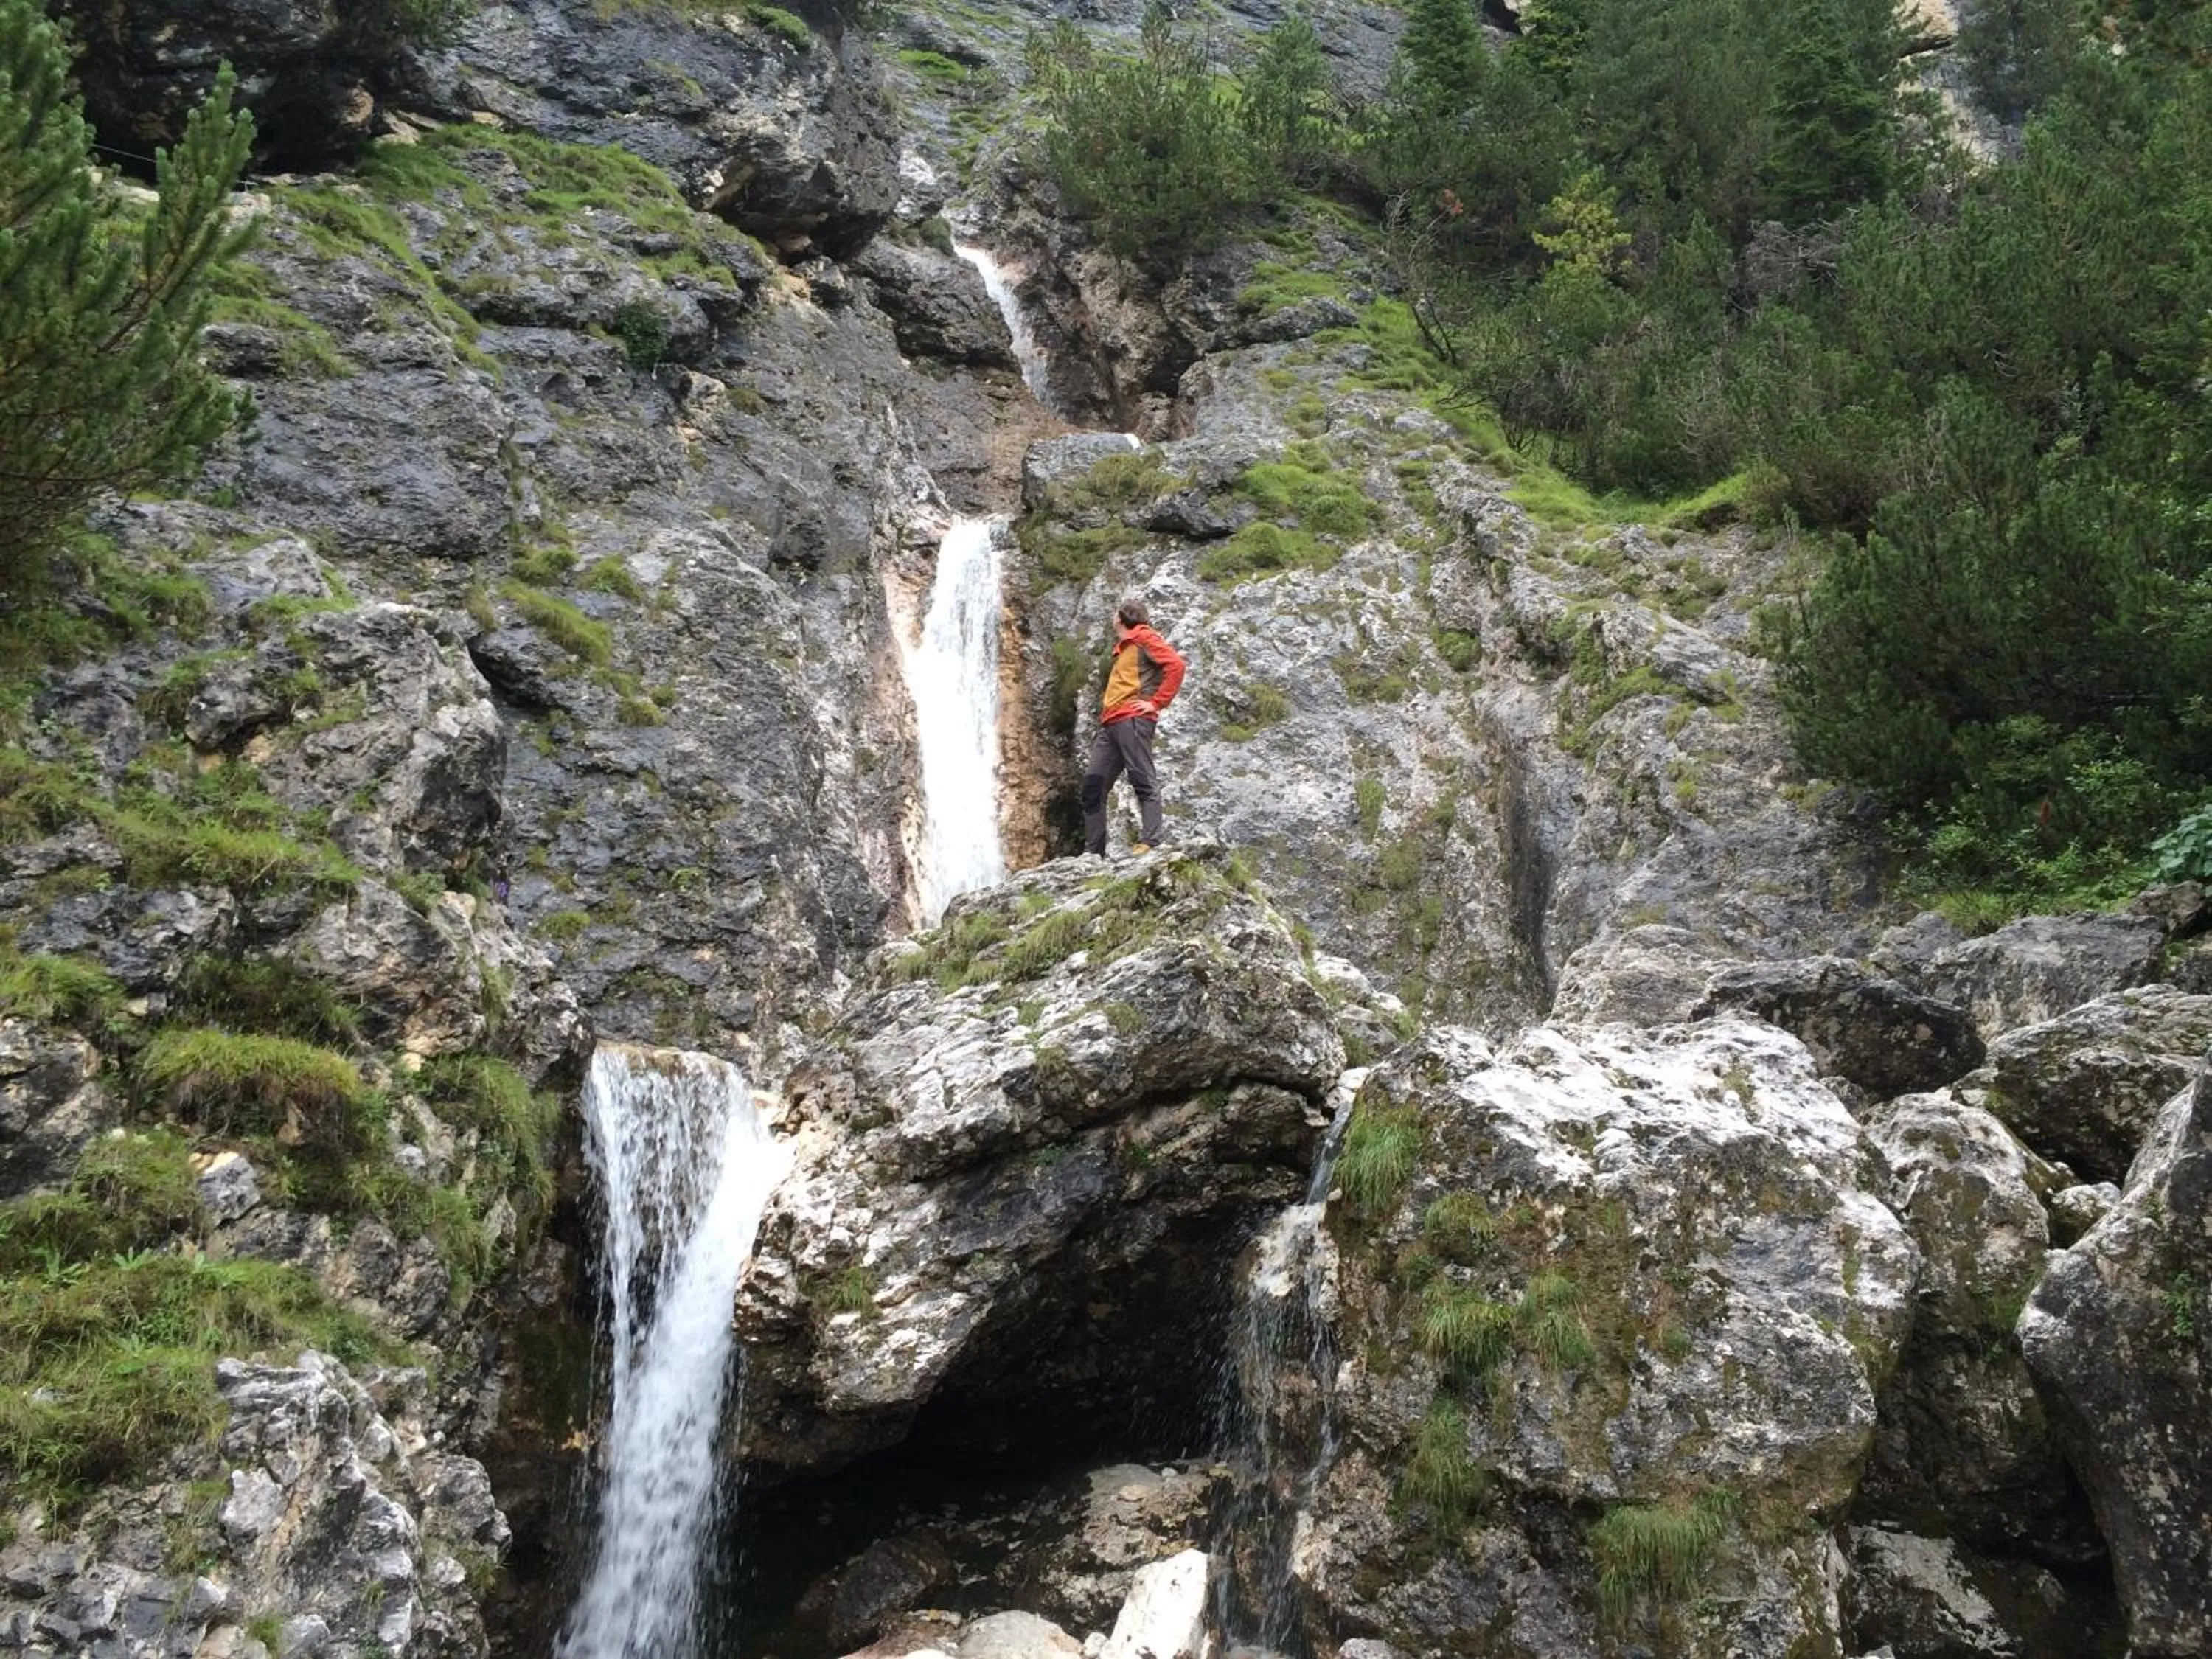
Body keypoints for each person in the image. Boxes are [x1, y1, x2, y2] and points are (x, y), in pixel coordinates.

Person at [1083, 598, 1186, 856]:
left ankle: (1151, 840)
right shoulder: (1124, 647)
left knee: (1142, 777)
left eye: (1114, 613)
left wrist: (1156, 703)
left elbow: (1176, 665)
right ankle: (1093, 852)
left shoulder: (1144, 639)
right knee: (1093, 785)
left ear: (1121, 618)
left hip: (1133, 719)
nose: (1112, 617)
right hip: (1111, 723)